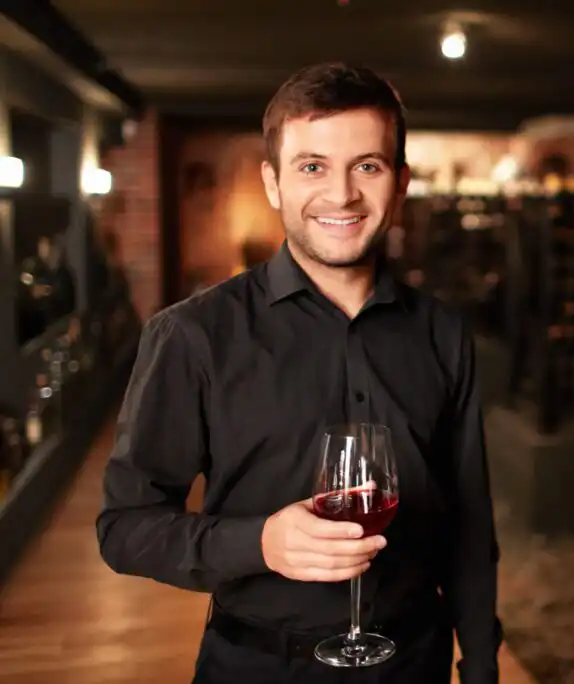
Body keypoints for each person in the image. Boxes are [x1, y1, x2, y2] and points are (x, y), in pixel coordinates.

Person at [96, 62, 502, 684]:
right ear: (273, 183)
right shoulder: (193, 335)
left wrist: (479, 662)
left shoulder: (443, 333)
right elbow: (125, 529)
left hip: (414, 662)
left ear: (400, 183)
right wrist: (259, 544)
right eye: (312, 166)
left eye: (367, 166)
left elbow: (470, 522)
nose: (341, 195)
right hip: (259, 666)